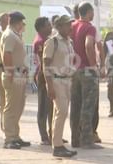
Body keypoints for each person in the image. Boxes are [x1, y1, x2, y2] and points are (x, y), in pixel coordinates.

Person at [70, 2, 103, 149]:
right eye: (92, 12)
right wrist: (93, 65)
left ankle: (75, 138)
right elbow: (89, 45)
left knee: (75, 105)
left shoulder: (72, 26)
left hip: (73, 70)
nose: (93, 14)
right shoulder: (90, 27)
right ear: (88, 12)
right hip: (87, 70)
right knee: (88, 106)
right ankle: (87, 140)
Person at [43, 15, 77, 157]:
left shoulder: (69, 42)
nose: (70, 27)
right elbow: (46, 65)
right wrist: (49, 85)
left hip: (67, 81)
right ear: (60, 26)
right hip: (56, 81)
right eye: (68, 25)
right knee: (61, 112)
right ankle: (57, 146)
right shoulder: (52, 42)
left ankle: (58, 143)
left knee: (61, 113)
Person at [0, 11, 30, 149]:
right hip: (13, 74)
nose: (23, 26)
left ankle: (15, 135)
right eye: (22, 23)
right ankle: (9, 138)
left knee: (18, 107)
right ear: (17, 23)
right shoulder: (10, 35)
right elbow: (7, 54)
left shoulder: (15, 35)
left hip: (19, 74)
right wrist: (10, 72)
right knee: (11, 107)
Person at [33, 17, 54, 145]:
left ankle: (53, 133)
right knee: (43, 107)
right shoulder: (41, 42)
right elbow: (43, 62)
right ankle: (44, 136)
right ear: (41, 28)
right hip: (43, 76)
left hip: (49, 75)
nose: (50, 27)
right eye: (48, 25)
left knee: (51, 107)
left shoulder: (47, 40)